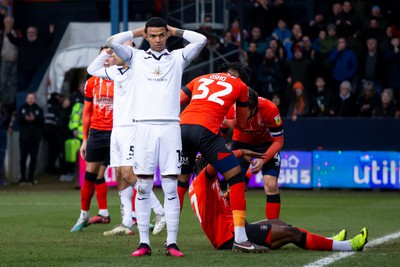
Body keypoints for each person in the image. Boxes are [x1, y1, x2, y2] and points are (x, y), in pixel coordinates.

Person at [107, 17, 207, 257]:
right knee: (142, 185)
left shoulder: (178, 57)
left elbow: (201, 40)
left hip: (171, 127)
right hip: (143, 128)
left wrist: (176, 31)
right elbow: (112, 41)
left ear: (167, 34)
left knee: (171, 186)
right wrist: (140, 31)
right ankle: (144, 243)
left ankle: (172, 243)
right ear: (147, 37)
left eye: (161, 35)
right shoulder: (136, 58)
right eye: (152, 35)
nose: (157, 39)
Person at [188, 151, 368, 252]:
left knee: (279, 223)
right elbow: (218, 162)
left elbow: (212, 208)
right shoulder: (205, 178)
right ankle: (349, 246)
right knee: (292, 232)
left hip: (230, 232)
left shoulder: (196, 186)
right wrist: (242, 152)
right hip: (231, 237)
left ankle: (329, 240)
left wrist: (225, 197)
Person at [178, 61, 269, 253]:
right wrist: (230, 121)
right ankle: (241, 238)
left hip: (182, 126)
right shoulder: (240, 86)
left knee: (181, 183)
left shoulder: (201, 78)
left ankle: (170, 240)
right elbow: (242, 124)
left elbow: (176, 99)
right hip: (206, 132)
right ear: (241, 78)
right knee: (236, 177)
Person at [86, 42, 166, 237]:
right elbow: (92, 69)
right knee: (120, 175)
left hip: (132, 128)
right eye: (112, 54)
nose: (112, 57)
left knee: (130, 175)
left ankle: (160, 212)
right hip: (117, 130)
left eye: (116, 53)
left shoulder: (138, 70)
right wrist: (107, 50)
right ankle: (126, 222)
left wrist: (130, 47)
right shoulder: (115, 72)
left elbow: (137, 58)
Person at [70, 45, 115, 232]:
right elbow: (87, 113)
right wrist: (85, 139)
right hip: (97, 132)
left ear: (116, 59)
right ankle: (84, 215)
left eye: (110, 55)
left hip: (118, 132)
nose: (106, 57)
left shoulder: (122, 79)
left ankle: (134, 217)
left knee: (127, 175)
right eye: (103, 54)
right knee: (91, 175)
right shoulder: (91, 83)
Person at [222, 88, 284, 219]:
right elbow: (221, 131)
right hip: (240, 144)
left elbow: (278, 141)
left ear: (255, 107)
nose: (242, 113)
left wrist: (263, 159)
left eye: (246, 111)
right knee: (233, 187)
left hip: (266, 145)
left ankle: (273, 228)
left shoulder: (270, 109)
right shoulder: (231, 108)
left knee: (271, 185)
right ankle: (234, 228)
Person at [16, 92, 44, 185]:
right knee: (23, 158)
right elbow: (18, 121)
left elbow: (42, 122)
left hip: (35, 139)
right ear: (26, 98)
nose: (30, 99)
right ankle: (23, 178)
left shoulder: (39, 109)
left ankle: (31, 178)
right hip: (24, 138)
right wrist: (26, 119)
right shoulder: (21, 108)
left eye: (32, 98)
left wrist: (34, 119)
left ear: (35, 99)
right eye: (29, 97)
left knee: (33, 158)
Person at [0, 16, 18, 107]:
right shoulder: (2, 33)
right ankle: (4, 101)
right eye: (6, 21)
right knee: (3, 81)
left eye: (10, 21)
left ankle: (11, 103)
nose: (8, 23)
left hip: (15, 60)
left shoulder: (17, 32)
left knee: (12, 82)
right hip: (4, 59)